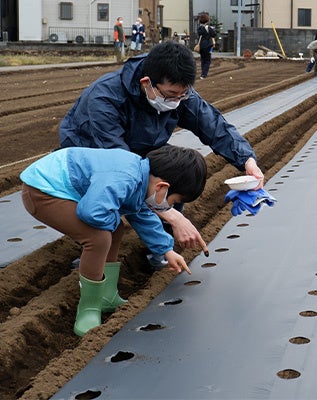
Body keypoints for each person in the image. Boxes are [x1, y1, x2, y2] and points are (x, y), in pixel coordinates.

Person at [58, 41, 264, 260]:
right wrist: (170, 214)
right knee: (109, 199)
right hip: (92, 152)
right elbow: (120, 165)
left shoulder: (178, 93)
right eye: (171, 95)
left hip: (141, 146)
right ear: (147, 83)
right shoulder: (106, 97)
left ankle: (160, 250)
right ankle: (92, 246)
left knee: (178, 173)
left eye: (182, 95)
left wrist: (247, 161)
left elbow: (213, 125)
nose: (176, 101)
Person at [20, 145, 208, 336]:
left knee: (115, 228)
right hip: (42, 190)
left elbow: (142, 215)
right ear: (162, 187)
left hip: (62, 188)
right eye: (174, 202)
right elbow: (91, 212)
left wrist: (167, 250)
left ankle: (107, 296)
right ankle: (89, 309)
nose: (171, 207)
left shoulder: (141, 180)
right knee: (97, 237)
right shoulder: (124, 177)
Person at [197, 12, 217, 79]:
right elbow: (214, 34)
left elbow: (199, 34)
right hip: (208, 46)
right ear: (207, 20)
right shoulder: (209, 28)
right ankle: (204, 75)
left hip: (201, 46)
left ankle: (202, 73)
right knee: (208, 60)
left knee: (203, 60)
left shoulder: (199, 28)